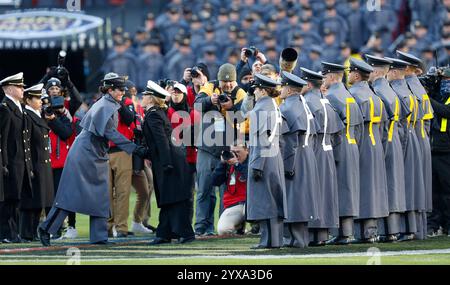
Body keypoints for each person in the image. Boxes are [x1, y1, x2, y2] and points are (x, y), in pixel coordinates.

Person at [38, 73, 148, 246]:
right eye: (120, 90)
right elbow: (109, 132)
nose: (123, 93)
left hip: (93, 152)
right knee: (70, 195)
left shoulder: (107, 103)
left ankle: (99, 236)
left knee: (100, 196)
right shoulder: (105, 105)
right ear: (110, 90)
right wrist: (135, 148)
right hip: (85, 153)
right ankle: (46, 228)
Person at [193, 63, 246, 236]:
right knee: (204, 189)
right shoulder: (210, 86)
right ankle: (202, 227)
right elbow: (197, 105)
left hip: (227, 149)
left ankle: (224, 227)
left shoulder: (240, 92)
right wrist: (210, 100)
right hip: (207, 148)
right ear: (219, 80)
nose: (228, 85)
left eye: (231, 82)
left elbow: (245, 117)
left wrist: (231, 108)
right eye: (224, 81)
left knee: (227, 191)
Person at [141, 80, 195, 245]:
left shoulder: (153, 115)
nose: (142, 98)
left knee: (174, 197)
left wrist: (166, 163)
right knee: (170, 197)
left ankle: (185, 233)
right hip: (171, 158)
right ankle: (165, 232)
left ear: (151, 99)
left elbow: (161, 140)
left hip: (169, 159)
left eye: (145, 95)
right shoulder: (157, 113)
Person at [321, 62, 364, 244]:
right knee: (348, 188)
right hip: (353, 143)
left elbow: (330, 127)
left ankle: (342, 233)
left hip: (339, 146)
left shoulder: (330, 96)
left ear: (331, 77)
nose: (323, 80)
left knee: (339, 189)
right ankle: (346, 232)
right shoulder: (348, 95)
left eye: (324, 76)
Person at [347, 58, 389, 243]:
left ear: (356, 75)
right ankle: (371, 231)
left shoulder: (353, 95)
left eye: (350, 72)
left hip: (361, 143)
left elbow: (352, 125)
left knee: (361, 187)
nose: (348, 75)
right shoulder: (375, 96)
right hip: (376, 143)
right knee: (373, 187)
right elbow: (385, 126)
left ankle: (360, 232)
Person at [301, 67, 344, 246]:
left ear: (309, 84)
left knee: (314, 192)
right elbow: (338, 132)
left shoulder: (308, 102)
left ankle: (312, 234)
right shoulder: (326, 101)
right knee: (326, 193)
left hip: (315, 149)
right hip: (328, 149)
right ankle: (322, 234)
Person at [366, 55, 407, 242]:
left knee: (385, 186)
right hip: (395, 140)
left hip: (384, 141)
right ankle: (391, 230)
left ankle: (386, 231)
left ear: (375, 71)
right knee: (393, 185)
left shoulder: (379, 92)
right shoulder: (390, 91)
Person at [279, 71, 319, 248]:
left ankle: (294, 239)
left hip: (296, 155)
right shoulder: (304, 104)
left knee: (294, 197)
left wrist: (287, 165)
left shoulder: (288, 107)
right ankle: (300, 237)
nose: (280, 89)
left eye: (282, 86)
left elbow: (289, 141)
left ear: (288, 90)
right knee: (303, 197)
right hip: (308, 152)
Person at [397, 50, 434, 240]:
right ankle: (419, 229)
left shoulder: (409, 88)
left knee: (411, 185)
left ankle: (410, 229)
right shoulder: (419, 89)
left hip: (413, 138)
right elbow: (428, 121)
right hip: (421, 138)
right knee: (419, 187)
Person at [387, 57, 425, 241]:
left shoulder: (399, 91)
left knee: (406, 185)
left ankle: (407, 230)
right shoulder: (412, 89)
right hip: (416, 136)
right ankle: (416, 229)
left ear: (394, 72)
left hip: (405, 139)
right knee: (413, 185)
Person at [247, 73, 287, 249]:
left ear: (263, 90)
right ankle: (274, 240)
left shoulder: (262, 108)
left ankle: (267, 240)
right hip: (274, 156)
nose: (254, 91)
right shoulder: (273, 105)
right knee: (273, 199)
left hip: (263, 157)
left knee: (265, 200)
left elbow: (261, 139)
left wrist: (257, 164)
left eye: (256, 88)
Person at [41, 74, 82, 240]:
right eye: (51, 88)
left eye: (57, 88)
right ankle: (53, 225)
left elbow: (77, 101)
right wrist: (45, 77)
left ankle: (71, 225)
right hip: (48, 157)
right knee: (50, 195)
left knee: (67, 193)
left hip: (65, 158)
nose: (54, 91)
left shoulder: (66, 107)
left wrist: (68, 82)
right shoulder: (42, 105)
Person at [0, 72, 33, 243]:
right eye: (20, 87)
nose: (22, 90)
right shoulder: (5, 108)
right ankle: (6, 233)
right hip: (11, 161)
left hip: (20, 161)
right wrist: (4, 163)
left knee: (16, 199)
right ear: (11, 89)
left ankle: (13, 232)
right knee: (9, 199)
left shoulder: (17, 107)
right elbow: (3, 138)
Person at [20, 83, 54, 241]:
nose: (41, 101)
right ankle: (27, 232)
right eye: (37, 98)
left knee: (40, 200)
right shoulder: (27, 116)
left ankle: (32, 232)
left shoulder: (37, 115)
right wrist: (29, 167)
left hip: (42, 163)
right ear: (28, 100)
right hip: (35, 163)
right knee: (31, 201)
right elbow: (26, 143)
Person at [167, 82, 198, 223]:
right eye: (173, 92)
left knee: (188, 195)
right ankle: (174, 225)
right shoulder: (166, 112)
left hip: (189, 159)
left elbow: (196, 137)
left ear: (184, 95)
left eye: (178, 92)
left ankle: (186, 224)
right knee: (172, 194)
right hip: (172, 159)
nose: (175, 94)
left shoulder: (192, 113)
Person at [427, 67, 450, 237]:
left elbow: (445, 111)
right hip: (435, 148)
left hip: (446, 150)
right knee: (434, 192)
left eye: (447, 80)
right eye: (443, 80)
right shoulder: (440, 94)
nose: (444, 83)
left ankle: (448, 224)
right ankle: (435, 224)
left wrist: (427, 98)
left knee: (447, 191)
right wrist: (433, 87)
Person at [212, 144, 248, 235]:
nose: (235, 155)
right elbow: (215, 182)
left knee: (248, 211)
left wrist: (237, 164)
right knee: (223, 230)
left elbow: (250, 177)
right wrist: (222, 164)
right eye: (233, 152)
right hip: (235, 204)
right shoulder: (228, 165)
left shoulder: (253, 161)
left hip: (251, 203)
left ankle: (259, 226)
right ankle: (239, 226)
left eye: (238, 152)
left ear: (247, 150)